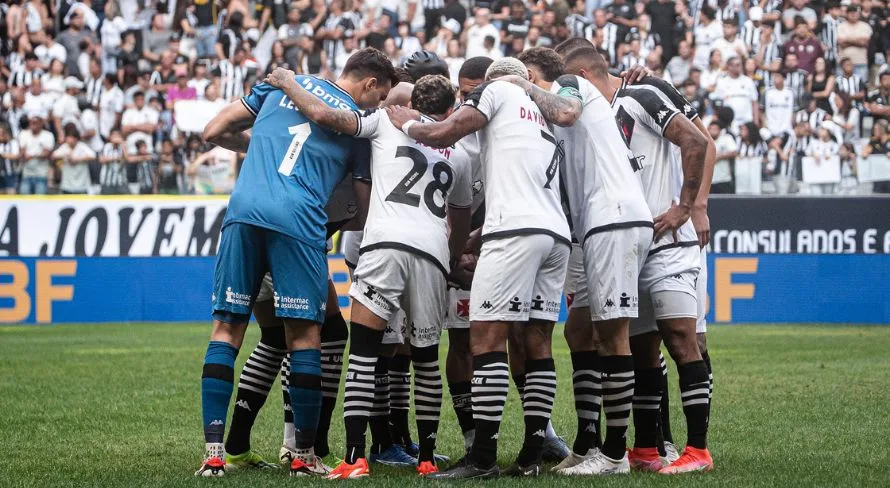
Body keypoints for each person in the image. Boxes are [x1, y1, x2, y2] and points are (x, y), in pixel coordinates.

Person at [194, 47, 397, 478]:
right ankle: (303, 455)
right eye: (377, 99)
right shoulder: (359, 126)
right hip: (299, 219)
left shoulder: (283, 84)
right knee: (304, 335)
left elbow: (213, 131)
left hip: (244, 209)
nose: (375, 107)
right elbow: (361, 211)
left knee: (227, 327)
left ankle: (214, 454)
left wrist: (262, 148)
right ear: (370, 84)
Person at [268, 69, 473, 478]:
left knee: (362, 355)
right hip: (431, 254)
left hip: (383, 246)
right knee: (427, 360)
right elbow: (462, 220)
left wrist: (289, 83)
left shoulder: (383, 122)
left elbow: (328, 116)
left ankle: (355, 458)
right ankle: (428, 459)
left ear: (412, 106)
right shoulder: (461, 152)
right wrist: (450, 259)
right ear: (449, 110)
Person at [387, 57, 572, 480]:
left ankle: (482, 457)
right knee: (538, 341)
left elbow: (445, 131)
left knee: (484, 339)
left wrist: (408, 125)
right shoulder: (542, 111)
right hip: (553, 232)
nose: (468, 98)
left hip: (515, 231)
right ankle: (531, 452)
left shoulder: (496, 91)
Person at [713, 56, 760, 129]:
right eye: (737, 65)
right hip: (730, 123)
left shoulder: (748, 81)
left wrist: (756, 122)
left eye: (740, 65)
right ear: (729, 67)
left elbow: (754, 103)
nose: (740, 67)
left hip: (747, 122)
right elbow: (717, 104)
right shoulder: (722, 82)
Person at [17, 110, 54, 195]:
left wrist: (32, 155)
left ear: (41, 123)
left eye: (36, 122)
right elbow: (22, 151)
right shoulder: (23, 134)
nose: (33, 125)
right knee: (24, 200)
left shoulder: (48, 135)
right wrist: (24, 155)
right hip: (26, 173)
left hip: (41, 173)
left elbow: (47, 153)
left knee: (40, 201)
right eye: (31, 122)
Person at [52, 123, 95, 194]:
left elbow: (93, 156)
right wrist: (66, 156)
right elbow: (54, 155)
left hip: (82, 185)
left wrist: (77, 159)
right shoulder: (64, 147)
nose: (68, 140)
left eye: (70, 137)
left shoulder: (82, 147)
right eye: (67, 137)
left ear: (76, 139)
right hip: (67, 185)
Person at [837, 6, 873, 82]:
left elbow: (864, 43)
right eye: (850, 12)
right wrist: (858, 40)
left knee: (861, 88)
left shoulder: (865, 26)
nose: (853, 14)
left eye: (855, 12)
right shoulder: (841, 26)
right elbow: (841, 43)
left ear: (859, 14)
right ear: (846, 14)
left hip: (860, 62)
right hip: (843, 63)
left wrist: (847, 39)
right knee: (842, 89)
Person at [0, 124, 22, 194]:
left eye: (1, 133)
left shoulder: (13, 143)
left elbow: (16, 156)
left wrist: (3, 155)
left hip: (11, 173)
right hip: (1, 173)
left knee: (11, 193)